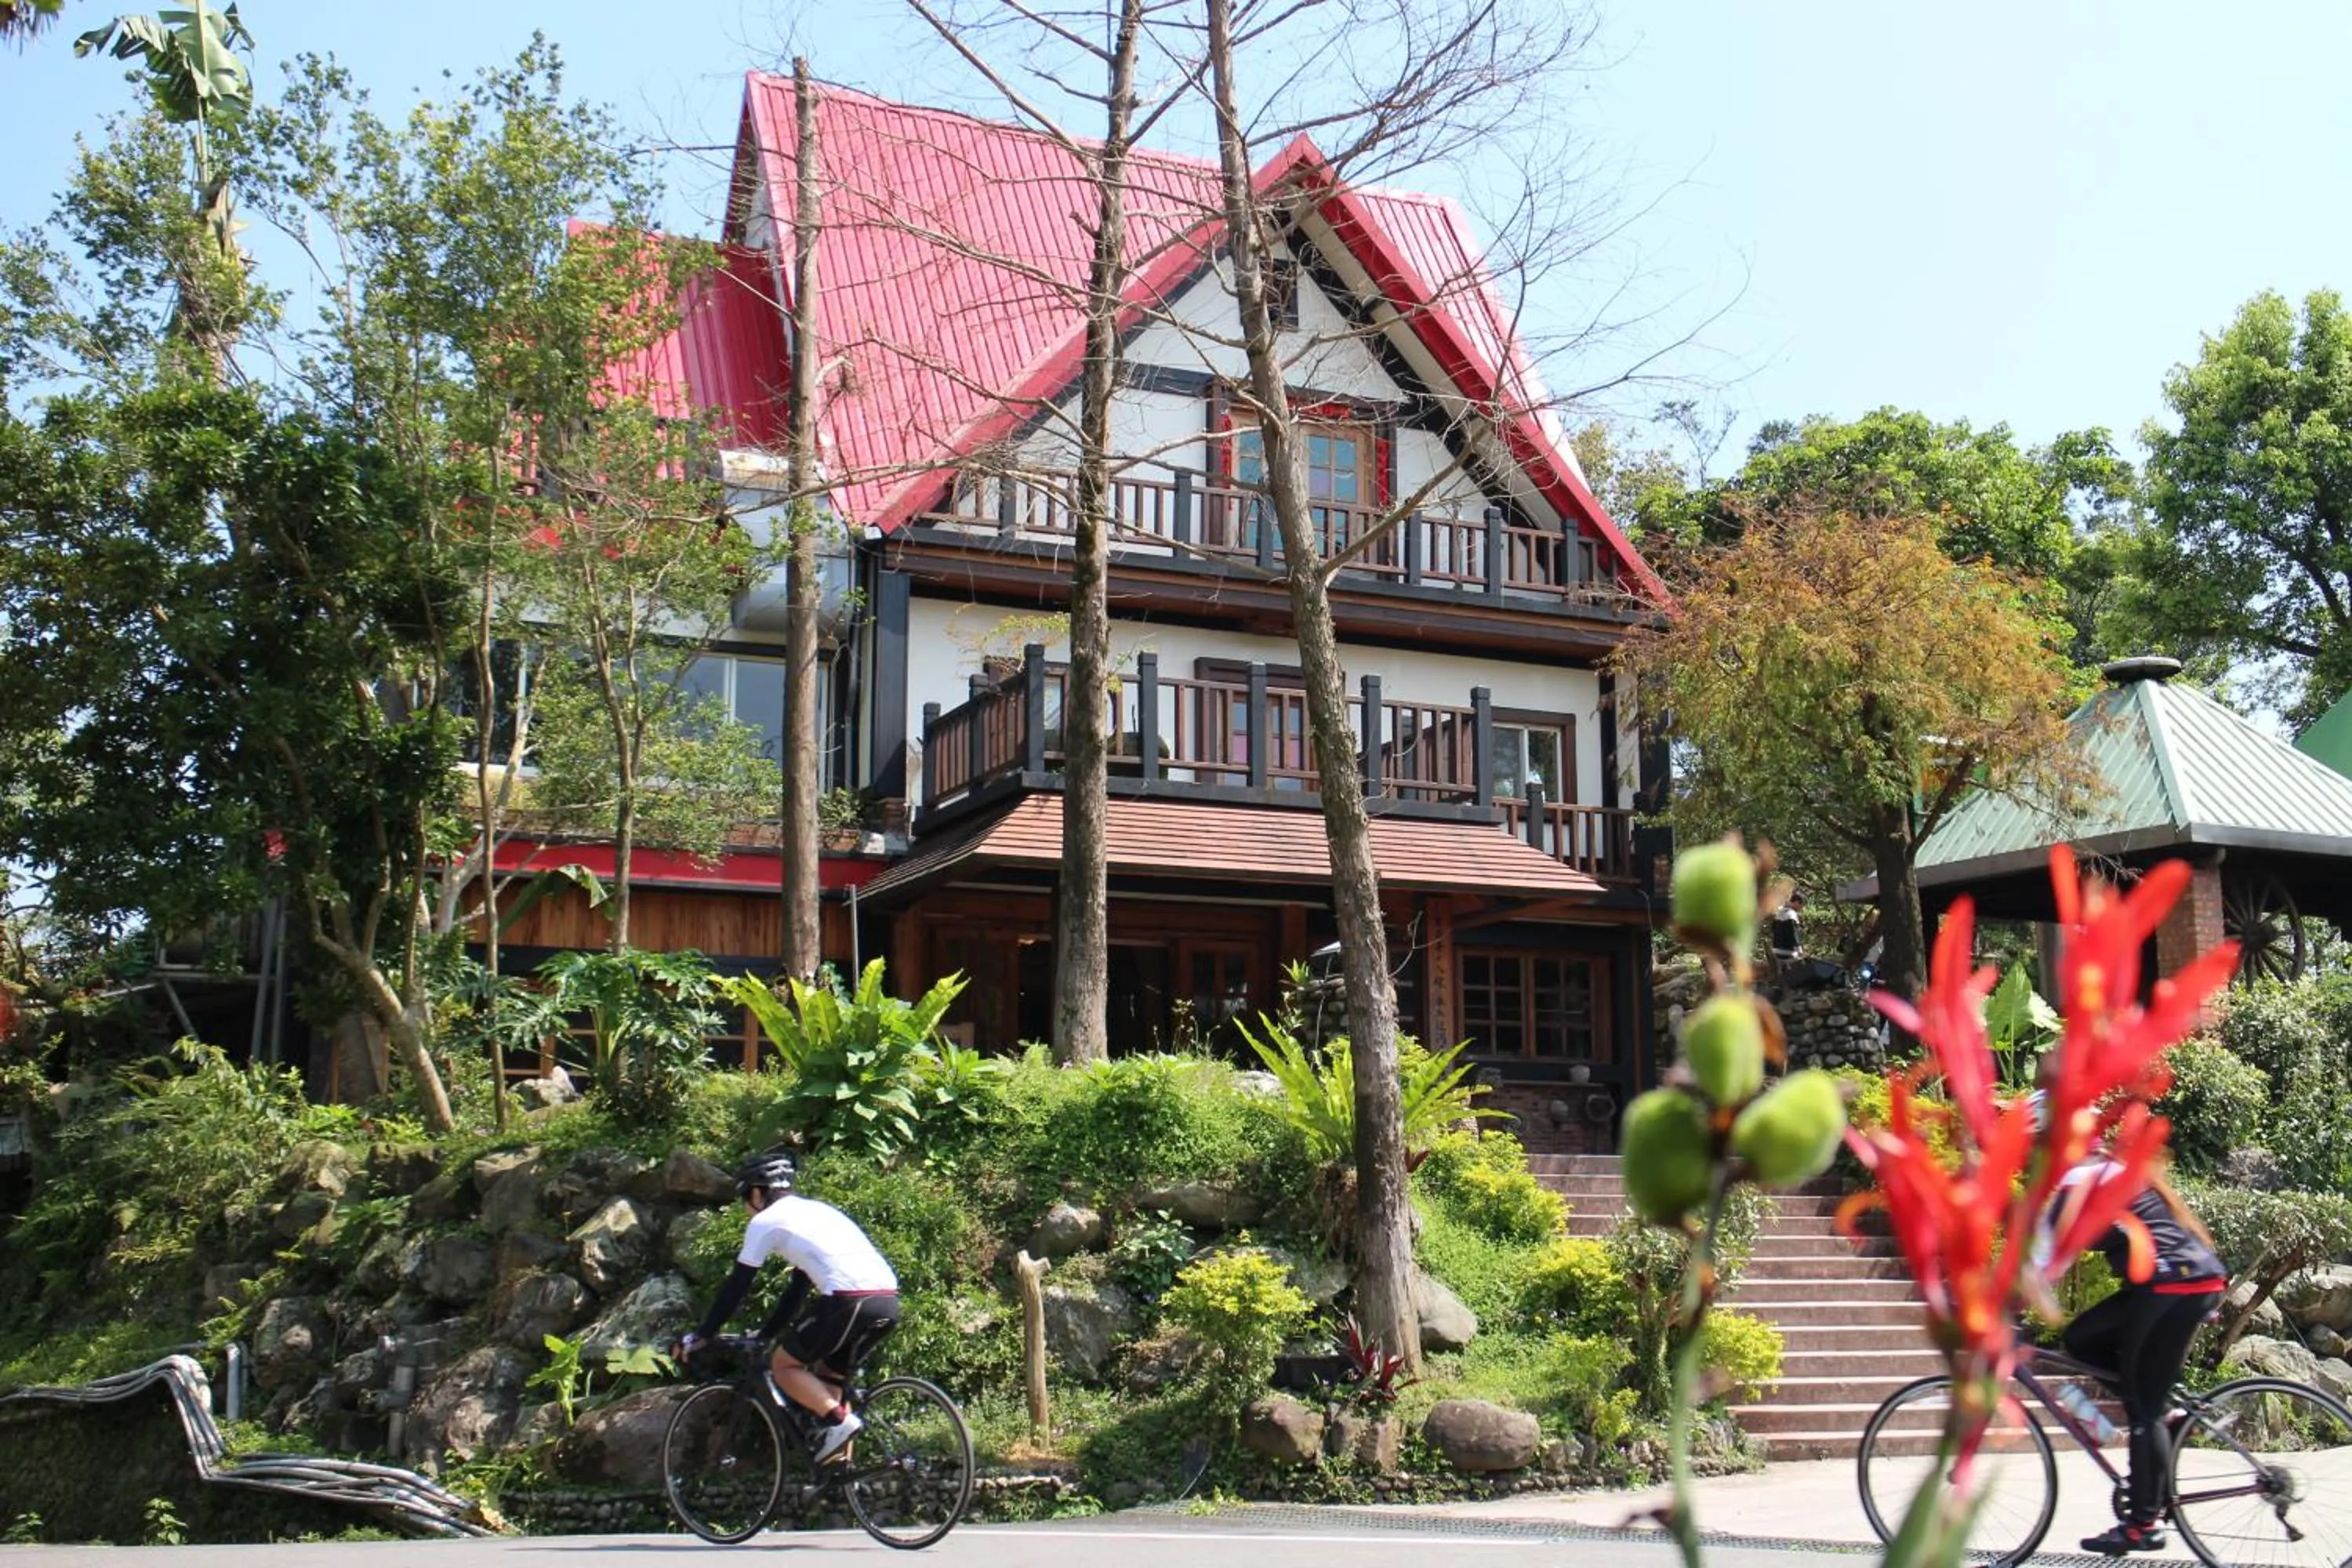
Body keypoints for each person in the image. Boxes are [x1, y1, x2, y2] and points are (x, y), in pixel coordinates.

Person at [2040, 1149, 2227, 1555]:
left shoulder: (2081, 1176)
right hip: (2179, 1282)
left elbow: (2044, 1254)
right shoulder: (2112, 1169)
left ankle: (2143, 1525)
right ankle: (2166, 1418)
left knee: (2144, 1408)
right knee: (2082, 1338)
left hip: (2172, 1286)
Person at [676, 1150, 901, 1464]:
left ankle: (839, 1420)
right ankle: (839, 1481)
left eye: (744, 1199)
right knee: (827, 1380)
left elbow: (737, 1285)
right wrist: (768, 1333)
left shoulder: (765, 1222)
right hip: (887, 1300)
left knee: (784, 1367)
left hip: (849, 1299)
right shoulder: (816, 1212)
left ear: (756, 1193)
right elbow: (798, 1288)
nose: (745, 1209)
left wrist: (702, 1334)